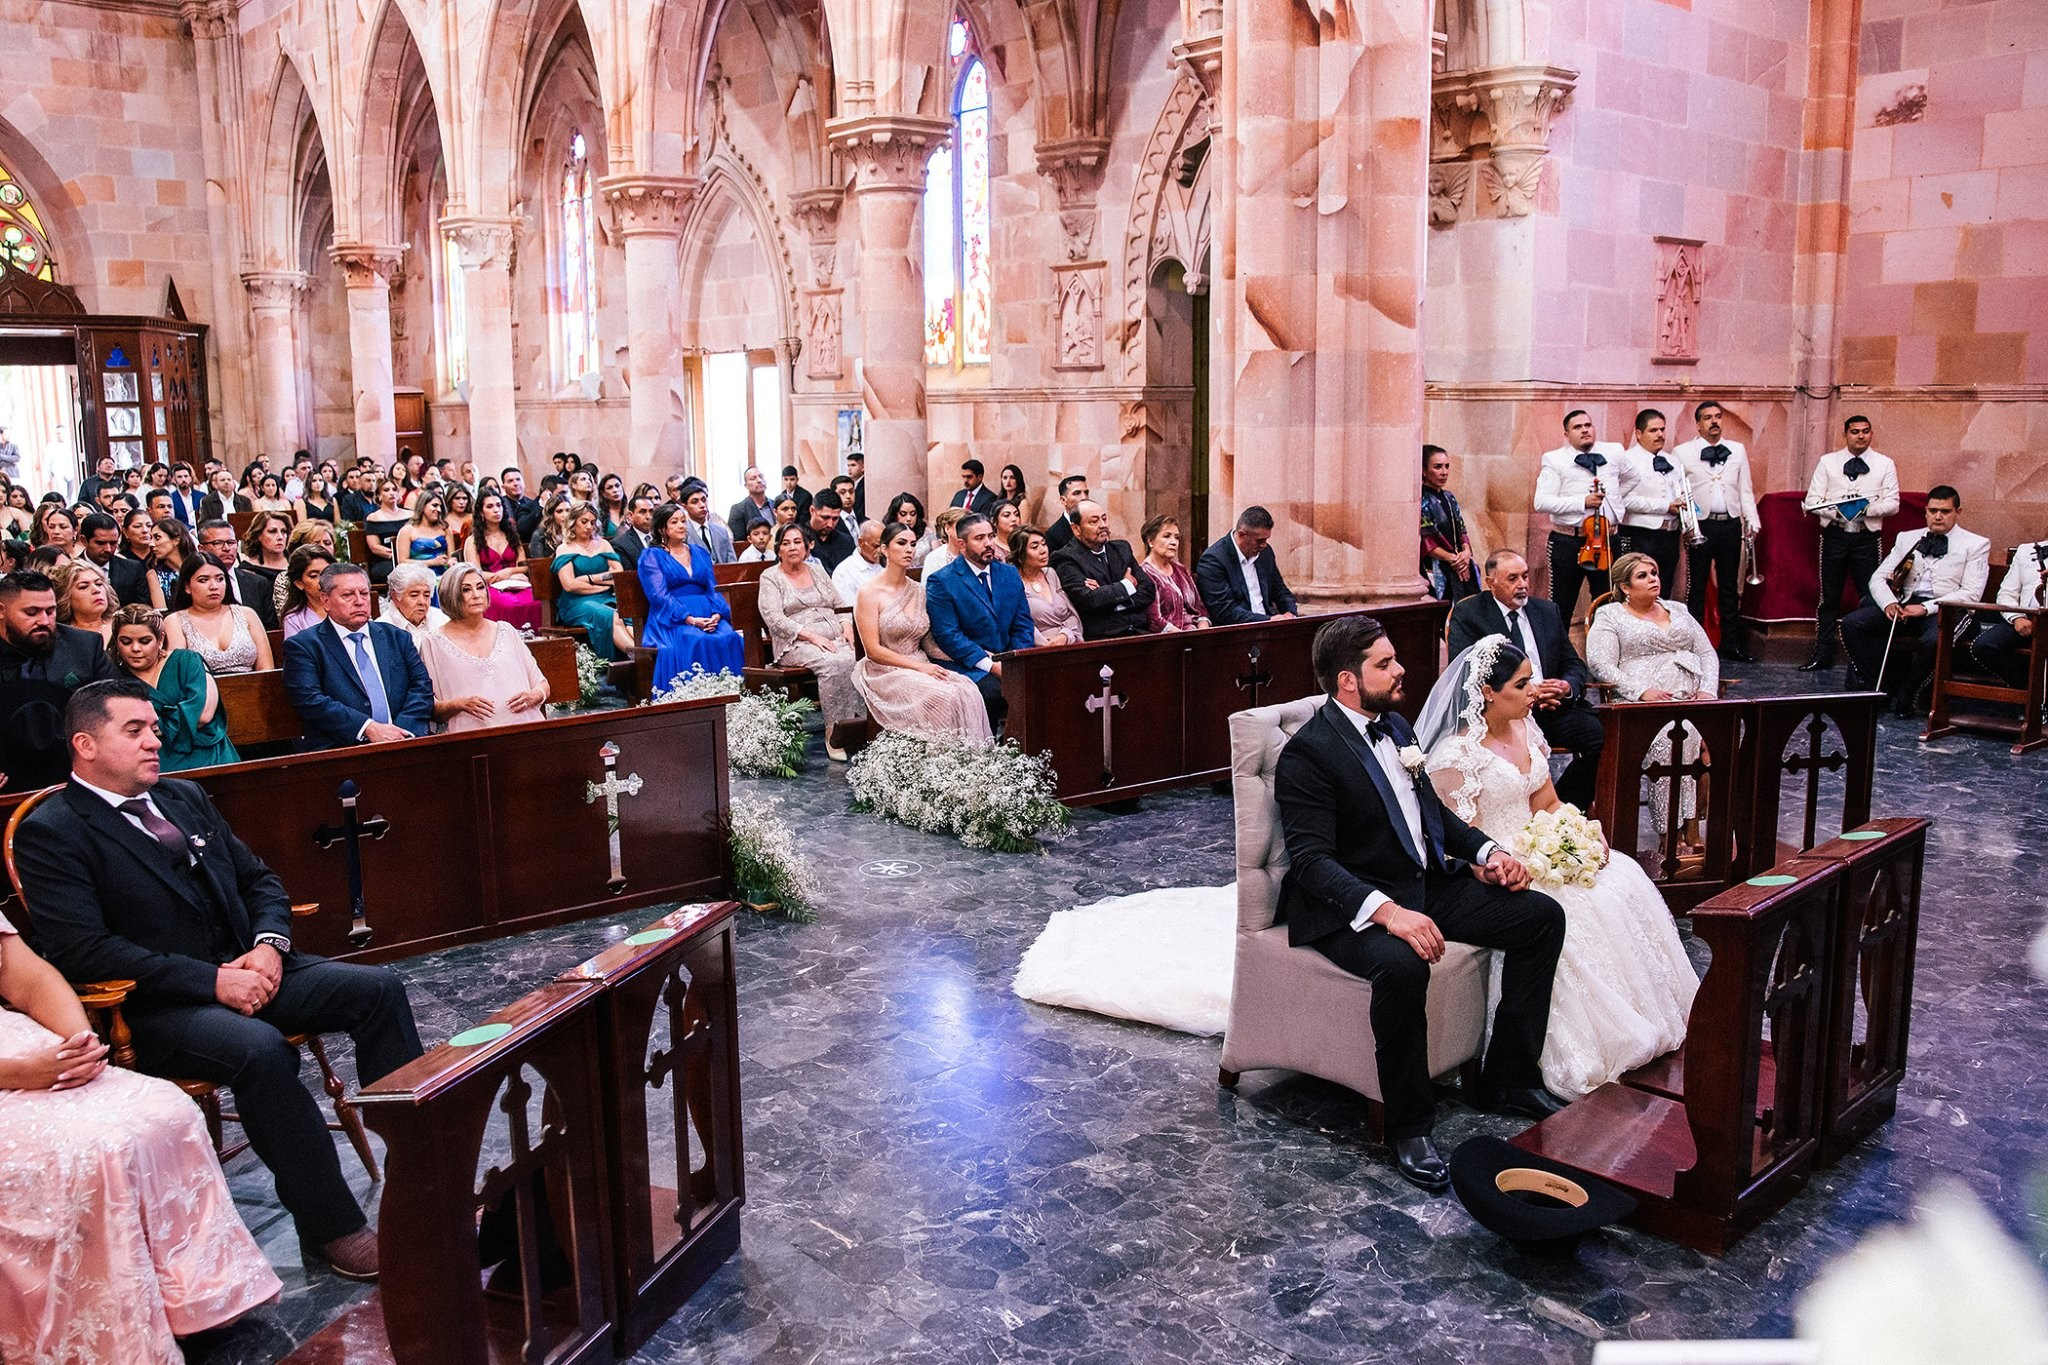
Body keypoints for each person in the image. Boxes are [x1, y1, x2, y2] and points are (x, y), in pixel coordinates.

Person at [18, 680, 425, 1279]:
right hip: (157, 1006)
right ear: (85, 744)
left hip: (250, 969)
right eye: (134, 731)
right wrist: (210, 982)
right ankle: (331, 1228)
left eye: (154, 727)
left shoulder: (182, 798)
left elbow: (260, 881)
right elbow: (83, 950)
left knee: (378, 990)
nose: (155, 741)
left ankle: (425, 1178)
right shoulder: (53, 830)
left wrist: (268, 947)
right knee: (260, 1052)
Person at [1274, 616, 1566, 1192]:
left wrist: (1487, 850)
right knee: (1402, 964)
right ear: (1347, 681)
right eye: (1384, 664)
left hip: (1422, 883)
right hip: (1346, 905)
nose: (1401, 668)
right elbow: (1311, 862)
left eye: (1393, 658)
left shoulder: (1398, 726)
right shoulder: (1308, 755)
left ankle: (1507, 1074)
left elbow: (1432, 815)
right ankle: (1409, 1127)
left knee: (1541, 917)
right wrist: (1389, 913)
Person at [0, 895, 281, 1363]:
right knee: (93, 1150)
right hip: (11, 1068)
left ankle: (192, 1300)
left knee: (166, 1110)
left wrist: (77, 1043)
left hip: (26, 1048)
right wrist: (20, 1073)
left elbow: (25, 976)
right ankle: (113, 1335)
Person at [1417, 635, 1696, 1099]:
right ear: (1488, 692)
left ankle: (1650, 1010)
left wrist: (1582, 833)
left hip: (1541, 844)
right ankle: (1562, 1051)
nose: (1535, 691)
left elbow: (1546, 801)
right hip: (1502, 860)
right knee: (1575, 907)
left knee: (1621, 879)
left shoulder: (1528, 730)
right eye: (1522, 684)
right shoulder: (1455, 757)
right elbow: (1455, 842)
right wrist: (1517, 859)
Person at [1446, 548, 1603, 807]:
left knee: (1599, 735)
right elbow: (1465, 671)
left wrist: (1565, 687)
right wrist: (1526, 692)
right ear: (1491, 582)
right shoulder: (1470, 614)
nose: (1522, 585)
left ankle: (1561, 808)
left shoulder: (1547, 611)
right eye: (1513, 579)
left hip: (1551, 709)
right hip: (1501, 714)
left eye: (1526, 577)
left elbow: (1574, 664)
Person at [1586, 551, 1719, 854]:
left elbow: (1707, 653)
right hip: (1641, 702)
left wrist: (1708, 692)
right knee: (1668, 745)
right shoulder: (1610, 616)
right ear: (1625, 587)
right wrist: (1640, 690)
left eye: (1654, 573)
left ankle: (1692, 824)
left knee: (1708, 739)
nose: (1652, 580)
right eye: (1642, 576)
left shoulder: (1678, 609)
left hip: (1692, 698)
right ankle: (1669, 832)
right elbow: (1600, 665)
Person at [1842, 485, 1990, 716]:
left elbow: (1971, 593)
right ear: (1926, 512)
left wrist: (1924, 608)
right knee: (1853, 624)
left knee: (1934, 640)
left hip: (1948, 609)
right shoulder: (1907, 538)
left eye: (1945, 511)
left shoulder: (1976, 544)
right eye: (1933, 511)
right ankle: (1876, 690)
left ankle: (1909, 694)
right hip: (1904, 604)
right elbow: (1878, 578)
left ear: (1958, 512)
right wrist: (1889, 603)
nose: (1938, 516)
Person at [852, 523, 993, 744]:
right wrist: (920, 667)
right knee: (943, 696)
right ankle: (937, 762)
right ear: (884, 549)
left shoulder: (919, 590)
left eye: (913, 544)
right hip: (885, 670)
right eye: (901, 543)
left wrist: (976, 655)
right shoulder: (868, 593)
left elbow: (928, 641)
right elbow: (873, 651)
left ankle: (966, 763)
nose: (909, 549)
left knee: (966, 689)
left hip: (921, 663)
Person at [283, 562, 433, 748]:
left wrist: (399, 732)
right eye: (348, 595)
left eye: (363, 593)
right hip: (342, 749)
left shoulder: (396, 637)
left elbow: (422, 687)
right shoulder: (305, 646)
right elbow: (310, 700)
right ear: (326, 600)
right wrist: (367, 728)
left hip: (404, 742)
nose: (359, 601)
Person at [1800, 414, 1901, 672]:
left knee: (1871, 595)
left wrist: (1865, 509)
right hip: (1834, 534)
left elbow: (1893, 504)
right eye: (1855, 432)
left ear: (1871, 434)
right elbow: (1812, 500)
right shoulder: (1828, 462)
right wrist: (1839, 510)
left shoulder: (1884, 463)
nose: (1861, 436)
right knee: (1828, 597)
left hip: (1867, 537)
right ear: (1846, 434)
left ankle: (1867, 660)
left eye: (1865, 431)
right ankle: (1822, 655)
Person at [0, 570, 118, 788]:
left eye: (50, 611)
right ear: (1, 611)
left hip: (79, 773)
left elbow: (116, 707)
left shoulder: (84, 646)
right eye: (31, 612)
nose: (44, 621)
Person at [759, 523, 867, 758]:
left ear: (807, 547)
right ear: (778, 549)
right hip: (795, 642)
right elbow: (774, 618)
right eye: (786, 543)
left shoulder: (817, 570)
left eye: (797, 542)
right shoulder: (770, 577)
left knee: (860, 657)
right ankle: (835, 734)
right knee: (834, 663)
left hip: (834, 637)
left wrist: (847, 627)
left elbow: (840, 604)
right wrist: (811, 636)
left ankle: (861, 727)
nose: (792, 547)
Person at [923, 512, 1034, 731]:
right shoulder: (942, 581)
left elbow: (1022, 623)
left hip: (1011, 659)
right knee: (991, 694)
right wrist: (991, 665)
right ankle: (988, 756)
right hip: (968, 664)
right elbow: (949, 635)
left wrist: (1016, 660)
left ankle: (1030, 754)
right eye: (979, 538)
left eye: (991, 536)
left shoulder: (1009, 573)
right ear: (962, 544)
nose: (988, 543)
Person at [1672, 400, 1761, 663]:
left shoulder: (1737, 449)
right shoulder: (1682, 452)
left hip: (1731, 523)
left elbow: (1746, 488)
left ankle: (1731, 645)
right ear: (1698, 424)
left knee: (1729, 588)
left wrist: (1751, 520)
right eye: (1708, 418)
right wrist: (1688, 527)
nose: (1714, 421)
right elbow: (1680, 493)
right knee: (1696, 587)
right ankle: (1696, 647)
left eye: (1718, 416)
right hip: (1701, 525)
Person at [419, 563, 550, 733]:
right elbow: (432, 707)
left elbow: (543, 685)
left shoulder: (506, 630)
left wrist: (534, 696)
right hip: (472, 738)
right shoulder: (433, 642)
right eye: (466, 590)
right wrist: (459, 704)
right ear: (450, 595)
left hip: (524, 730)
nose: (476, 595)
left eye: (480, 587)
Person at [109, 604, 239, 770]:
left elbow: (202, 714)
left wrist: (159, 726)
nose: (135, 648)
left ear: (160, 639)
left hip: (205, 749)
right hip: (153, 755)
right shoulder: (115, 678)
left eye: (144, 641)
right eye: (126, 642)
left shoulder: (186, 660)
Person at [1533, 409, 1632, 621]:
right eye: (1578, 427)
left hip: (1607, 540)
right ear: (1567, 435)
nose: (1585, 430)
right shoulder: (1554, 459)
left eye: (1588, 425)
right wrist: (1581, 502)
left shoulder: (1614, 451)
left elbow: (1633, 477)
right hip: (1569, 541)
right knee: (1562, 604)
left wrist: (1615, 502)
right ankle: (1558, 655)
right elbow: (1541, 502)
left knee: (1609, 603)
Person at [639, 502, 744, 691]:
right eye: (674, 522)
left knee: (729, 637)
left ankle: (732, 693)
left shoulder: (699, 552)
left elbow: (712, 587)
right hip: (672, 619)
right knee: (697, 640)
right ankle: (696, 695)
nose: (681, 526)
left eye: (683, 521)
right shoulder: (651, 556)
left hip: (707, 612)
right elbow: (658, 595)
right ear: (662, 528)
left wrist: (717, 613)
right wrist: (690, 619)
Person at [1054, 501, 1157, 640]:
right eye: (1094, 521)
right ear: (1076, 529)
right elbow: (1090, 600)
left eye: (1104, 518)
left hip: (1139, 630)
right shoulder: (1066, 558)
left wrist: (1112, 599)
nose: (1103, 525)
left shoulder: (1122, 549)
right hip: (1103, 639)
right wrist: (1126, 585)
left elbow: (1148, 589)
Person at [1615, 409, 1690, 596]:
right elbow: (1623, 499)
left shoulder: (1671, 460)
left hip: (1670, 535)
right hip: (1640, 534)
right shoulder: (1627, 460)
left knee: (1664, 589)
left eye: (1662, 430)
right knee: (1637, 590)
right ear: (1639, 434)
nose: (1660, 435)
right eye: (1653, 430)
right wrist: (1666, 506)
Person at [165, 557, 274, 675]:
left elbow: (266, 669)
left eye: (220, 579)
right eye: (203, 580)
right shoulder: (175, 621)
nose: (214, 586)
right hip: (200, 690)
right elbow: (178, 672)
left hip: (254, 690)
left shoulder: (247, 614)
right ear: (187, 586)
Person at [1194, 505, 1298, 626]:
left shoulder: (1265, 553)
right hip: (1236, 633)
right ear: (1242, 535)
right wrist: (1268, 620)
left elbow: (1280, 590)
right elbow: (1224, 611)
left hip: (1269, 627)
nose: (1264, 545)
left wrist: (1290, 613)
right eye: (1259, 541)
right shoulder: (1213, 560)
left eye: (1266, 539)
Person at [553, 502, 634, 658]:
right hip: (576, 603)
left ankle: (643, 652)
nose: (589, 526)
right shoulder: (565, 548)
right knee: (612, 616)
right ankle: (637, 656)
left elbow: (618, 575)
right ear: (573, 522)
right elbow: (569, 585)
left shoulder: (603, 544)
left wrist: (589, 578)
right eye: (584, 522)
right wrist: (601, 584)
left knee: (628, 612)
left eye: (592, 522)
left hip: (606, 596)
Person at [1973, 537, 2048, 690]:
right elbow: (2006, 593)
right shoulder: (2026, 550)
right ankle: (2028, 692)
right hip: (2026, 619)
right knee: (1984, 645)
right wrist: (2017, 618)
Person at [465, 489, 543, 632]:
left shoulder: (512, 534)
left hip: (516, 581)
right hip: (489, 584)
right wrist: (500, 577)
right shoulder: (473, 540)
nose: (496, 510)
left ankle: (537, 642)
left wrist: (510, 572)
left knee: (536, 602)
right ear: (481, 513)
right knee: (507, 604)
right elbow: (474, 573)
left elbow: (523, 566)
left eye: (499, 505)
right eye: (490, 507)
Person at [188, 518, 280, 628]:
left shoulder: (258, 583)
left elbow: (271, 628)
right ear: (201, 549)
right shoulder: (191, 584)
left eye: (231, 542)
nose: (227, 548)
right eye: (217, 543)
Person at [1421, 445, 1479, 603]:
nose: (1444, 472)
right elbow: (1426, 539)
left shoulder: (1449, 497)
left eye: (1447, 466)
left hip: (1460, 563)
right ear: (1424, 470)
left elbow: (1462, 529)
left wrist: (1466, 553)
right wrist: (1453, 560)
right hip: (1437, 566)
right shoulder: (1420, 498)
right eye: (1437, 467)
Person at [1012, 526, 1083, 645]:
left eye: (1044, 544)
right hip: (1038, 648)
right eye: (1035, 547)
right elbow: (1019, 624)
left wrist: (1065, 635)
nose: (1043, 550)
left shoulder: (1050, 573)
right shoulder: (1013, 582)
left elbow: (1071, 614)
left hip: (1069, 642)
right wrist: (1047, 644)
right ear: (1020, 556)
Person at [1138, 513, 1207, 632]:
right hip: (1168, 641)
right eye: (1167, 536)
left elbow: (1199, 607)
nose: (1174, 542)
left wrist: (1203, 631)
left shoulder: (1181, 569)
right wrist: (1186, 638)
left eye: (1176, 537)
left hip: (1195, 635)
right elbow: (1154, 620)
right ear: (1150, 541)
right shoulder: (1145, 572)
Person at [78, 511, 151, 607]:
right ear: (84, 540)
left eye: (113, 543)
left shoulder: (133, 569)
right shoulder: (69, 571)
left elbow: (142, 608)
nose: (108, 549)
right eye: (100, 543)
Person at [379, 560, 451, 646]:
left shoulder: (443, 620)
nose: (422, 602)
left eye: (426, 595)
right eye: (414, 595)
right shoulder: (382, 629)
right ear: (395, 597)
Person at [52, 558, 114, 647]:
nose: (96, 590)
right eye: (83, 587)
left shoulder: (123, 626)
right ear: (66, 596)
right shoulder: (58, 635)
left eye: (99, 584)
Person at [279, 544, 334, 637]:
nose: (323, 580)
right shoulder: (294, 619)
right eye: (313, 576)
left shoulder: (349, 605)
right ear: (299, 583)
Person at [680, 478, 737, 564]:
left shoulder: (721, 531)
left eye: (704, 500)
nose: (702, 505)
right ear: (684, 506)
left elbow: (733, 563)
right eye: (695, 502)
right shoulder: (682, 532)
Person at [145, 516, 194, 611]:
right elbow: (162, 613)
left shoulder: (200, 567)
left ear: (176, 540)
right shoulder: (154, 575)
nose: (151, 544)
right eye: (151, 538)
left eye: (157, 538)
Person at [832, 518, 887, 601]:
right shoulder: (844, 572)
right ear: (861, 542)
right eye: (876, 546)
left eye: (884, 546)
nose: (881, 551)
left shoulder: (890, 565)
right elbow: (847, 609)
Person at [396, 490, 452, 571]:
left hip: (444, 575)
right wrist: (432, 562)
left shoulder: (445, 528)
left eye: (440, 507)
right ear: (422, 506)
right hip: (417, 575)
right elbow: (402, 562)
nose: (439, 510)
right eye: (434, 505)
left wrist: (451, 561)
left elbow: (451, 556)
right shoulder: (407, 531)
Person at [240, 509, 293, 588]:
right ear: (258, 535)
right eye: (272, 531)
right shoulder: (248, 570)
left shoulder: (298, 565)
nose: (280, 537)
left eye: (284, 531)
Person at [803, 489, 854, 571]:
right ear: (812, 510)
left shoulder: (846, 542)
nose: (830, 524)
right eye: (825, 518)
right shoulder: (796, 539)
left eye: (835, 518)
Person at [884, 492, 936, 564]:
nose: (909, 518)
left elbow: (937, 556)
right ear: (895, 515)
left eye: (912, 514)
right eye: (903, 514)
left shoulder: (927, 532)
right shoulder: (887, 533)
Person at [726, 465, 775, 541]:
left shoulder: (775, 505)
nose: (759, 480)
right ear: (746, 485)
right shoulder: (738, 509)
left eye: (761, 476)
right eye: (753, 478)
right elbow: (738, 542)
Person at [529, 490, 576, 561]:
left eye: (568, 510)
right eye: (559, 511)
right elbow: (539, 564)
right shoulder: (540, 535)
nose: (565, 515)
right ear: (551, 515)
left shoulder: (576, 531)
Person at [923, 506, 967, 577]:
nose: (965, 531)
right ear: (947, 529)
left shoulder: (976, 554)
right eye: (961, 526)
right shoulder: (934, 558)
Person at [613, 492, 655, 564]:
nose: (648, 516)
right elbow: (629, 574)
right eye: (642, 512)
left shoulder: (663, 538)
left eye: (651, 511)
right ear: (630, 516)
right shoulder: (620, 544)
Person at [846, 450, 866, 520]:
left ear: (863, 467)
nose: (849, 469)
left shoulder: (865, 485)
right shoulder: (850, 483)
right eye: (848, 466)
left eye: (853, 465)